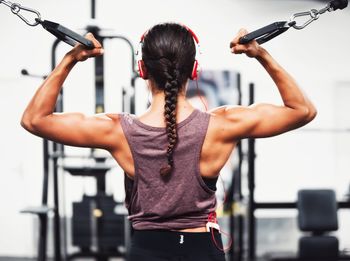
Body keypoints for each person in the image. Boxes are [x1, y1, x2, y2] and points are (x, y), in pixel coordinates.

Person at [21, 23, 317, 261]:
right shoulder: (222, 125)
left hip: (147, 249)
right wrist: (260, 53)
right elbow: (302, 111)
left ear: (142, 69)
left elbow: (34, 119)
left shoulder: (116, 130)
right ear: (194, 69)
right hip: (204, 250)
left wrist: (70, 58)